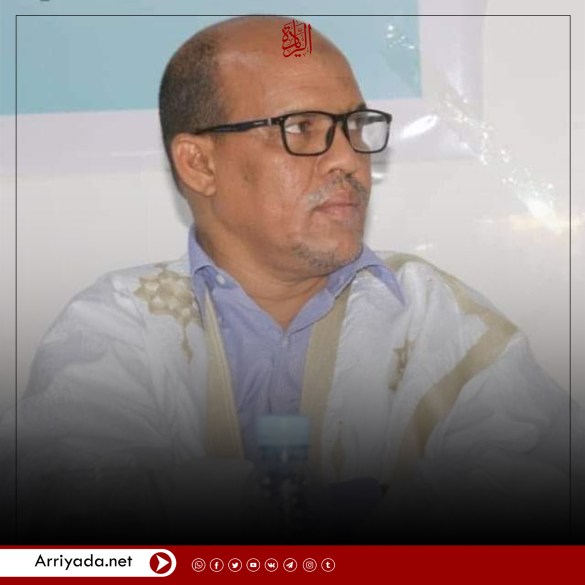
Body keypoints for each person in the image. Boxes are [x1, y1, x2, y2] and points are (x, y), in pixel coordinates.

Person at [1, 15, 582, 544]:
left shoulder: (439, 319)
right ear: (199, 164)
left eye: (354, 126)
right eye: (301, 128)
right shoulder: (116, 327)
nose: (348, 159)